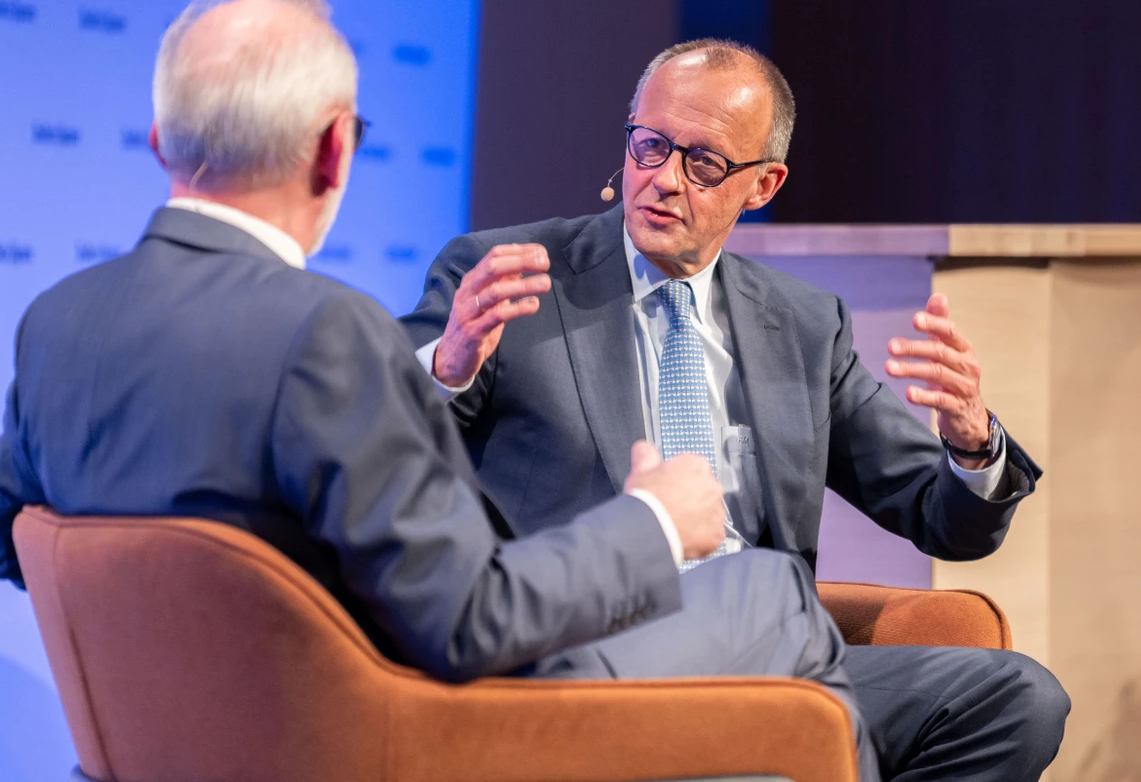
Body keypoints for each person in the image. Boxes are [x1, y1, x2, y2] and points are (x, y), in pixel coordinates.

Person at [0, 0, 883, 780]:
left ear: (157, 141)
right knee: (770, 594)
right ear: (336, 150)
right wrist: (652, 520)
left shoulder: (56, 318)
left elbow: (11, 543)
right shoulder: (327, 334)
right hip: (373, 736)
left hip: (156, 751)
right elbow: (468, 619)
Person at [401, 38, 1070, 781]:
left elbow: (941, 518)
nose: (664, 180)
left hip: (769, 661)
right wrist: (449, 365)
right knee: (755, 751)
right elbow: (387, 450)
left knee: (1019, 699)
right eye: (650, 146)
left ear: (763, 184)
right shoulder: (507, 277)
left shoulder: (804, 325)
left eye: (704, 163)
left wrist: (972, 443)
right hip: (590, 656)